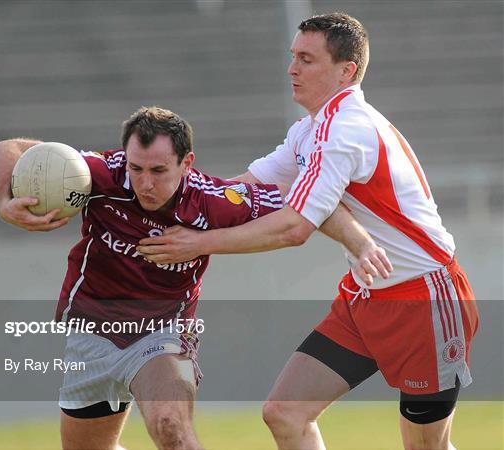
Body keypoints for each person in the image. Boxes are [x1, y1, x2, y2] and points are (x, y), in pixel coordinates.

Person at [137, 14, 480, 450]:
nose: (292, 69)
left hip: (423, 301)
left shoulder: (346, 130)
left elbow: (295, 227)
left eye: (306, 59)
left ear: (346, 71)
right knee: (285, 414)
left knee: (425, 447)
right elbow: (242, 189)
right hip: (366, 296)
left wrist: (199, 243)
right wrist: (160, 197)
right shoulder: (311, 130)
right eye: (292, 57)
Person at [0, 106, 391, 450]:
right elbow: (6, 150)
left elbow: (310, 203)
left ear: (187, 162)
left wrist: (361, 244)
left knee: (171, 427)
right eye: (136, 168)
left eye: (159, 170)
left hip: (162, 336)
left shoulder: (214, 200)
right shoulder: (99, 173)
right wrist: (5, 203)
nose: (145, 183)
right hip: (91, 332)